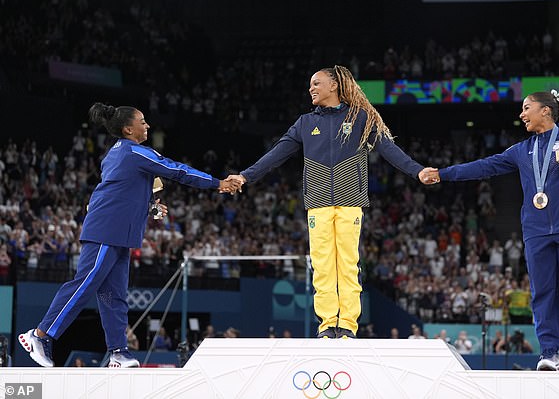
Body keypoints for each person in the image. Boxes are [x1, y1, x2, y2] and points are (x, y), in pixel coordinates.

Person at [18, 103, 241, 368]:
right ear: (128, 129)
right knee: (85, 282)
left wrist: (150, 205)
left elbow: (123, 188)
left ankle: (118, 352)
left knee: (113, 295)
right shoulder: (135, 151)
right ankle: (40, 335)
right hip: (106, 229)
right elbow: (176, 169)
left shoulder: (117, 154)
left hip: (120, 232)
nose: (147, 125)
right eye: (143, 121)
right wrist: (216, 183)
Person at [228, 65, 428, 339]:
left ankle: (346, 324)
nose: (311, 88)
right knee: (322, 265)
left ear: (334, 85)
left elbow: (389, 150)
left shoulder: (361, 118)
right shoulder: (305, 123)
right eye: (311, 84)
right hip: (318, 203)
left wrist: (417, 170)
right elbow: (276, 155)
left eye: (316, 83)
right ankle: (326, 325)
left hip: (349, 201)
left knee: (347, 263)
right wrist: (245, 176)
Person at [422, 90, 559, 372]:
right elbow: (485, 166)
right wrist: (444, 173)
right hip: (535, 230)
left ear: (545, 110)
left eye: (527, 108)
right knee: (542, 291)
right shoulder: (523, 150)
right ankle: (549, 352)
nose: (522, 114)